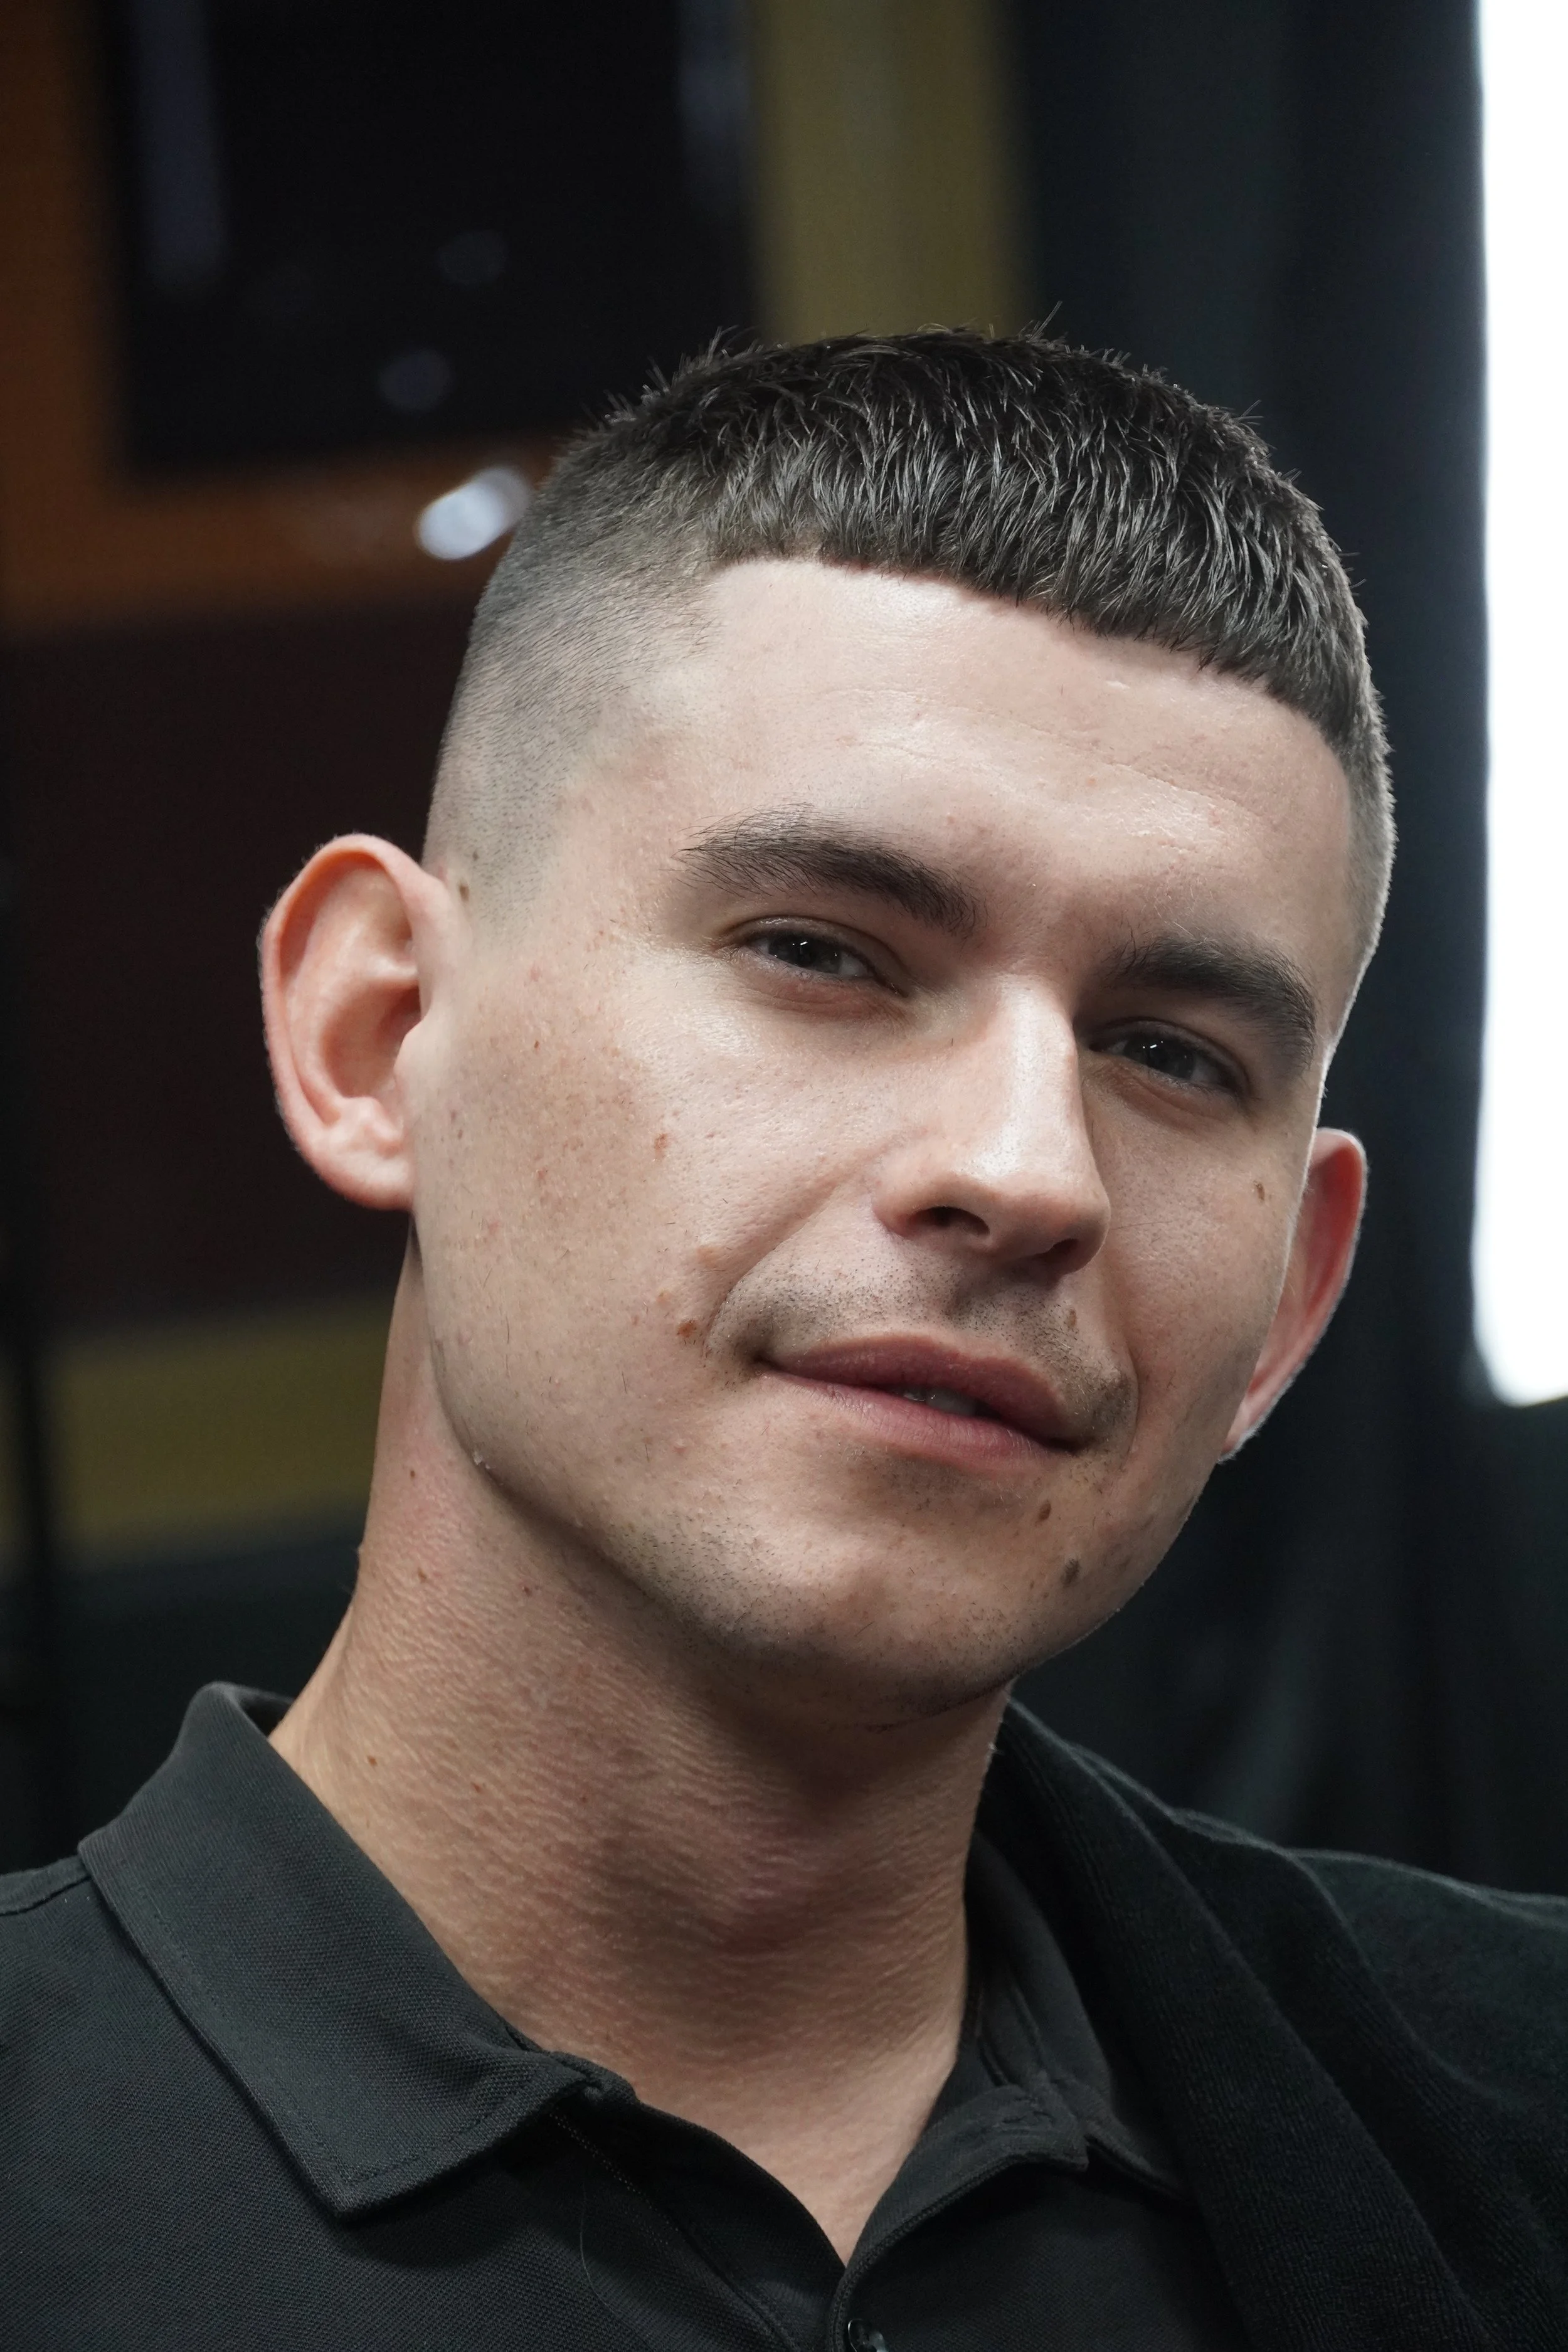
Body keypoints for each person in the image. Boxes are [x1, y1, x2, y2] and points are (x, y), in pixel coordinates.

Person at [4, 332, 1564, 2352]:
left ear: (1290, 1295)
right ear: (383, 1034)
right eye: (821, 951)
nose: (1026, 1170)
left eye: (1170, 1054)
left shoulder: (1508, 2129)